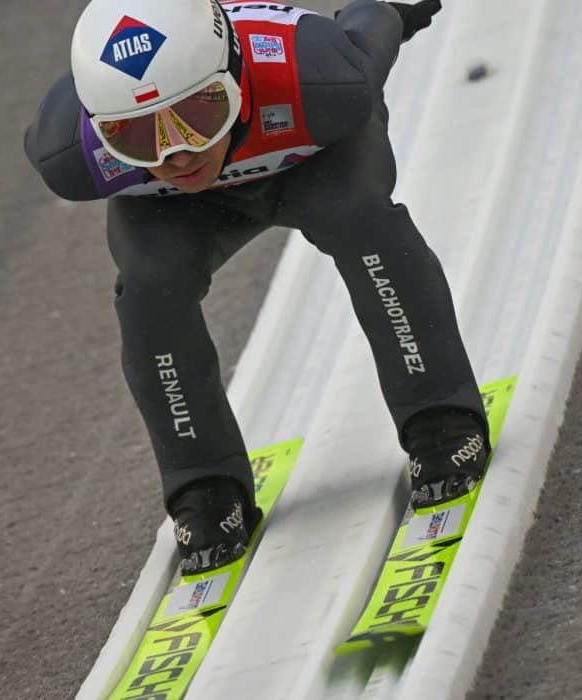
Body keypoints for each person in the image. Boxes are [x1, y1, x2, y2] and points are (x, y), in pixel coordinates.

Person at [24, 0, 490, 575]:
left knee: (358, 217)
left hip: (313, 158)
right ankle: (205, 489)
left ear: (238, 75)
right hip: (181, 211)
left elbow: (376, 19)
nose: (178, 152)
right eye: (139, 137)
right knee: (150, 287)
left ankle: (442, 418)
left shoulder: (320, 75)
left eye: (197, 114)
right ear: (101, 133)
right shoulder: (69, 152)